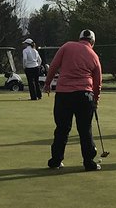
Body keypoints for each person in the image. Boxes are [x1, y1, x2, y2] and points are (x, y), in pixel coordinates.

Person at [43, 29, 103, 172]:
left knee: (62, 129)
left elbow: (54, 66)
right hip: (84, 95)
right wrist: (96, 99)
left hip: (63, 94)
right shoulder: (94, 56)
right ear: (92, 42)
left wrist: (47, 83)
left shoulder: (67, 46)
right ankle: (89, 162)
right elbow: (97, 82)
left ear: (79, 38)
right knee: (85, 129)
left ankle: (56, 161)